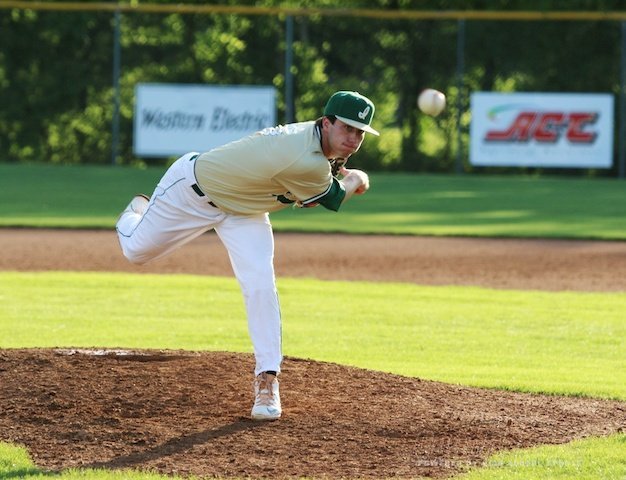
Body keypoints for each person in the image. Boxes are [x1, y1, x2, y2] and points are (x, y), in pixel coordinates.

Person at [116, 90, 379, 420]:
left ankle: (267, 380)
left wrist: (337, 169)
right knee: (136, 251)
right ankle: (136, 213)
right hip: (192, 191)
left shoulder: (314, 145)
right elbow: (331, 198)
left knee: (260, 284)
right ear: (326, 123)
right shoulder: (303, 157)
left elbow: (315, 184)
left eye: (360, 132)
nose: (353, 138)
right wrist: (357, 178)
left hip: (246, 212)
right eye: (347, 128)